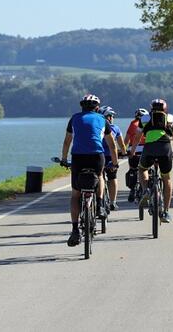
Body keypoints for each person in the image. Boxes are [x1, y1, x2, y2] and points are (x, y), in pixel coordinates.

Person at [61, 94, 119, 247]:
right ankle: (100, 205)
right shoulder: (103, 120)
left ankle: (74, 229)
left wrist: (63, 159)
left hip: (78, 157)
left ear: (82, 106)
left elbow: (67, 141)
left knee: (75, 194)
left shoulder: (74, 118)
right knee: (99, 175)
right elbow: (112, 145)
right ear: (97, 108)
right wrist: (115, 162)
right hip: (96, 156)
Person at [129, 99, 173, 223]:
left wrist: (132, 152)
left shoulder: (145, 118)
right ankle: (166, 212)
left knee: (142, 168)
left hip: (150, 148)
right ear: (165, 108)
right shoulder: (171, 118)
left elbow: (137, 136)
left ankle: (146, 189)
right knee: (166, 178)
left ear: (151, 108)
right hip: (165, 148)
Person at [100, 106, 127, 211]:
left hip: (99, 156)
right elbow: (121, 145)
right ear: (109, 117)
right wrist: (124, 153)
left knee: (99, 177)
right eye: (111, 116)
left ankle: (99, 199)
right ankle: (112, 202)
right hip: (111, 157)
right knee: (112, 177)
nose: (112, 118)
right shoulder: (115, 128)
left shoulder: (97, 127)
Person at [124, 108, 149, 202]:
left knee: (132, 169)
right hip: (146, 150)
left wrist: (123, 151)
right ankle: (147, 188)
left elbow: (126, 140)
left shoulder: (132, 124)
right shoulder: (148, 124)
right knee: (146, 169)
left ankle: (132, 190)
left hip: (133, 151)